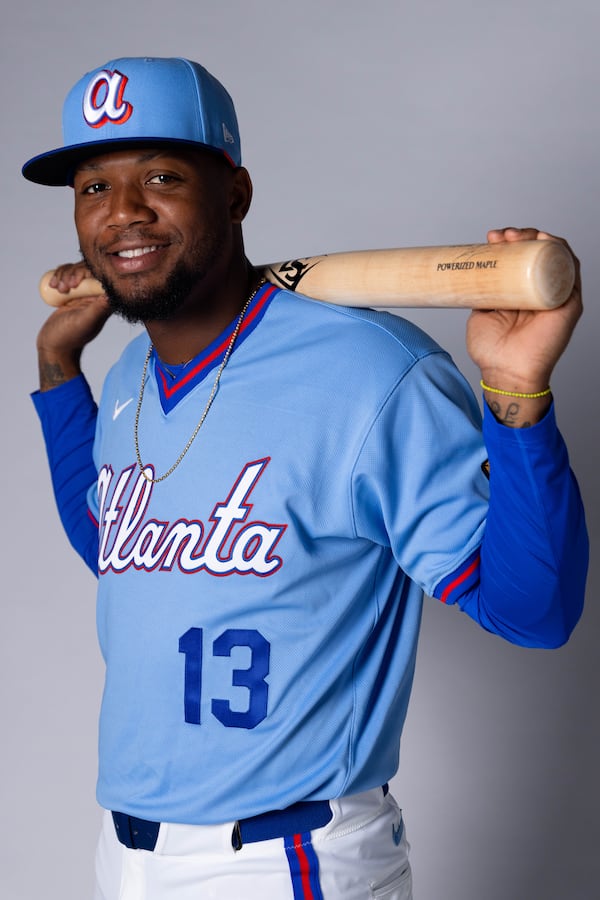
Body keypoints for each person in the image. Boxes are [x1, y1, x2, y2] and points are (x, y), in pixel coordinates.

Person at [23, 57, 588, 900]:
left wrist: (514, 395)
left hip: (285, 861)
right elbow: (117, 550)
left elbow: (535, 611)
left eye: (163, 176)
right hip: (123, 852)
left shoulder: (369, 368)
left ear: (236, 192)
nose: (123, 213)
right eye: (92, 187)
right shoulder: (134, 375)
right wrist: (59, 369)